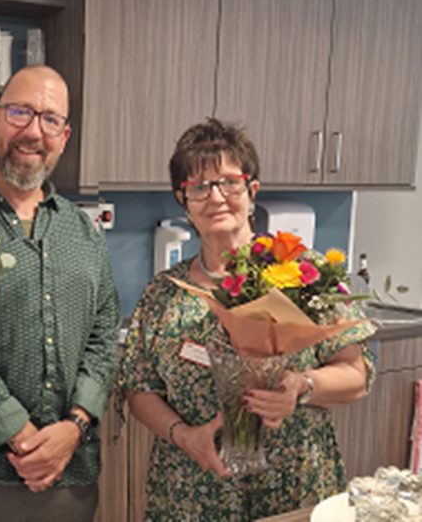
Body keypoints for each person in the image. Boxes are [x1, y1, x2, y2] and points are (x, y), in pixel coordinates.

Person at [118, 118, 376, 521]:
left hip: (293, 484)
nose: (216, 196)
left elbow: (357, 373)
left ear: (252, 190)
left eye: (229, 182)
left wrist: (302, 387)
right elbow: (138, 389)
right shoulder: (163, 294)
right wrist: (185, 437)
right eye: (199, 187)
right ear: (181, 200)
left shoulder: (304, 274)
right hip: (191, 491)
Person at [0, 65, 121, 522]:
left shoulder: (82, 231)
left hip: (72, 476)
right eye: (20, 113)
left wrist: (75, 425)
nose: (33, 131)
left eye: (50, 119)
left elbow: (104, 334)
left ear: (64, 136)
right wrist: (17, 429)